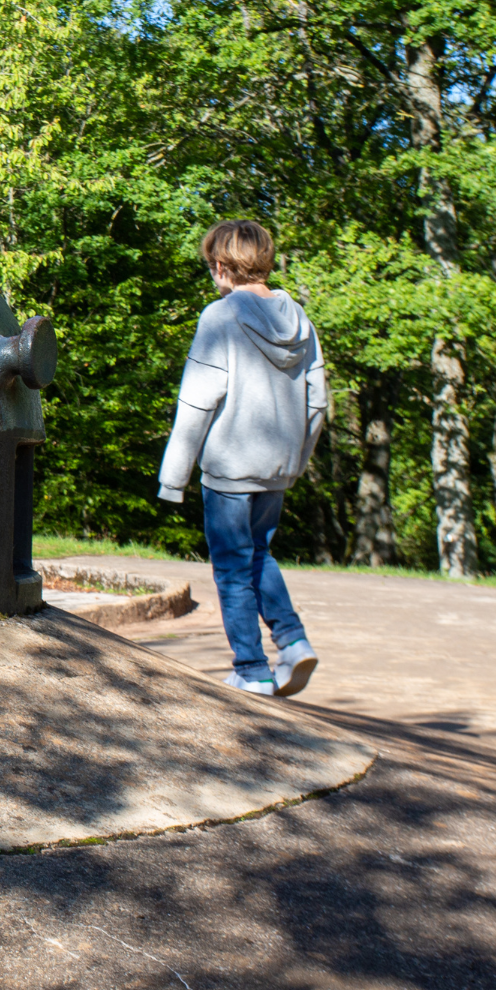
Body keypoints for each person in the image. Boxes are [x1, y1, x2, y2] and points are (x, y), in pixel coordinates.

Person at [158, 220, 329, 697]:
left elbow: (197, 402)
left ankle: (252, 670)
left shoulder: (221, 316)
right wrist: (296, 460)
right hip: (276, 469)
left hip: (230, 469)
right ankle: (292, 642)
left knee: (233, 566)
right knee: (259, 554)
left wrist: (174, 477)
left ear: (220, 265)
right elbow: (317, 403)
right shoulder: (300, 319)